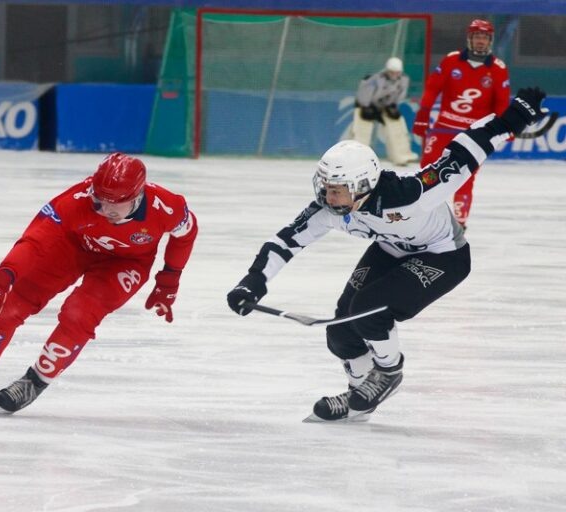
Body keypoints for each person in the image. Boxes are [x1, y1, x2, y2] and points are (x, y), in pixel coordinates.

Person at [227, 87, 546, 422]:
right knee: (340, 330)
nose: (328, 198)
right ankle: (358, 397)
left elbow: (463, 153)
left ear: (363, 185)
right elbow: (285, 242)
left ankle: (388, 372)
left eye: (336, 191)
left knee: (368, 310)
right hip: (391, 249)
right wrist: (252, 282)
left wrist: (512, 118)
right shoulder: (328, 210)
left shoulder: (410, 194)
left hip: (444, 256)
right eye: (325, 188)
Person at [0, 152, 198, 414]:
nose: (103, 211)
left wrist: (169, 279)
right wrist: (2, 279)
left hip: (126, 263)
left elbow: (186, 234)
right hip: (72, 247)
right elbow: (34, 242)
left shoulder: (167, 207)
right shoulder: (75, 201)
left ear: (137, 197)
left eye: (114, 205)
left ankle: (36, 381)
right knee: (12, 303)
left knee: (79, 313)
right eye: (98, 202)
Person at [412, 19, 511, 230]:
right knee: (428, 169)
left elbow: (502, 103)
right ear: (469, 39)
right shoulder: (451, 60)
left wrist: (504, 127)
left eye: (485, 37)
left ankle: (459, 224)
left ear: (490, 41)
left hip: (473, 134)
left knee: (466, 176)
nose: (481, 41)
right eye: (477, 37)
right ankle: (422, 213)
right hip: (443, 127)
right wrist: (423, 114)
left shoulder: (498, 68)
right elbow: (432, 88)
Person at [351, 57, 419, 166]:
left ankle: (401, 155)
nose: (394, 75)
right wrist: (365, 106)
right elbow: (364, 93)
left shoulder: (403, 79)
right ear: (387, 71)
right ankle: (358, 157)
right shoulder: (374, 79)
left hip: (386, 105)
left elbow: (401, 94)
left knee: (397, 126)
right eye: (392, 72)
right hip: (368, 105)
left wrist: (392, 105)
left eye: (397, 73)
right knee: (362, 130)